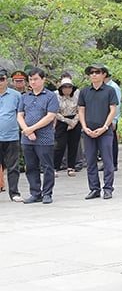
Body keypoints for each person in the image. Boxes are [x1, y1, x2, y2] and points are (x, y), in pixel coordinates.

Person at [17, 68, 59, 204]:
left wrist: (32, 129)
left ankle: (47, 193)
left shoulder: (50, 96)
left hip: (44, 137)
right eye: (30, 79)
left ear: (43, 79)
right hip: (27, 138)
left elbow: (50, 116)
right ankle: (35, 193)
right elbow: (20, 115)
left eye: (35, 79)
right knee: (30, 166)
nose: (33, 82)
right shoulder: (25, 97)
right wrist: (27, 131)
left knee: (47, 166)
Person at [78, 63, 119, 200]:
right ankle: (94, 188)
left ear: (103, 75)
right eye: (91, 72)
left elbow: (113, 109)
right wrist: (84, 127)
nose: (94, 75)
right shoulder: (84, 91)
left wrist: (105, 127)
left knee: (107, 161)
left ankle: (108, 188)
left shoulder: (109, 91)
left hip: (105, 131)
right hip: (88, 131)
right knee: (90, 161)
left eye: (97, 72)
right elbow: (81, 110)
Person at [0, 68, 24, 202]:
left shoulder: (16, 95)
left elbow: (21, 114)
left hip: (11, 136)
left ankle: (14, 192)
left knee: (13, 166)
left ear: (7, 80)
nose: (0, 82)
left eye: (1, 79)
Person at [53, 77, 81, 178]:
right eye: (64, 87)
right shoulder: (56, 95)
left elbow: (80, 109)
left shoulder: (77, 95)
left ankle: (71, 167)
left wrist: (74, 122)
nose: (67, 89)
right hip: (62, 120)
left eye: (69, 87)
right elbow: (54, 111)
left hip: (75, 120)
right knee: (60, 145)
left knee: (73, 145)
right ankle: (55, 167)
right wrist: (67, 122)